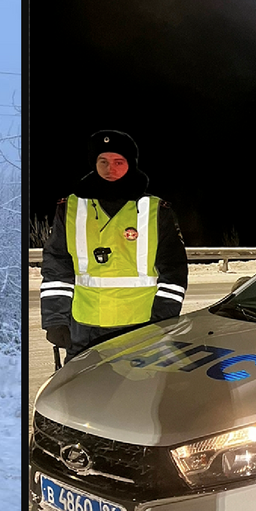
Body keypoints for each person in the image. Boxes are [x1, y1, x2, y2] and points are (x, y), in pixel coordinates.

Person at [40, 130, 189, 361]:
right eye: (103, 162)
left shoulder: (157, 211)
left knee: (137, 394)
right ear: (94, 164)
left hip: (140, 328)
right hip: (83, 329)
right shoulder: (70, 208)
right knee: (80, 394)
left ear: (131, 163)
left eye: (119, 162)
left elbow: (174, 272)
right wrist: (55, 320)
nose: (111, 169)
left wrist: (163, 320)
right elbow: (57, 267)